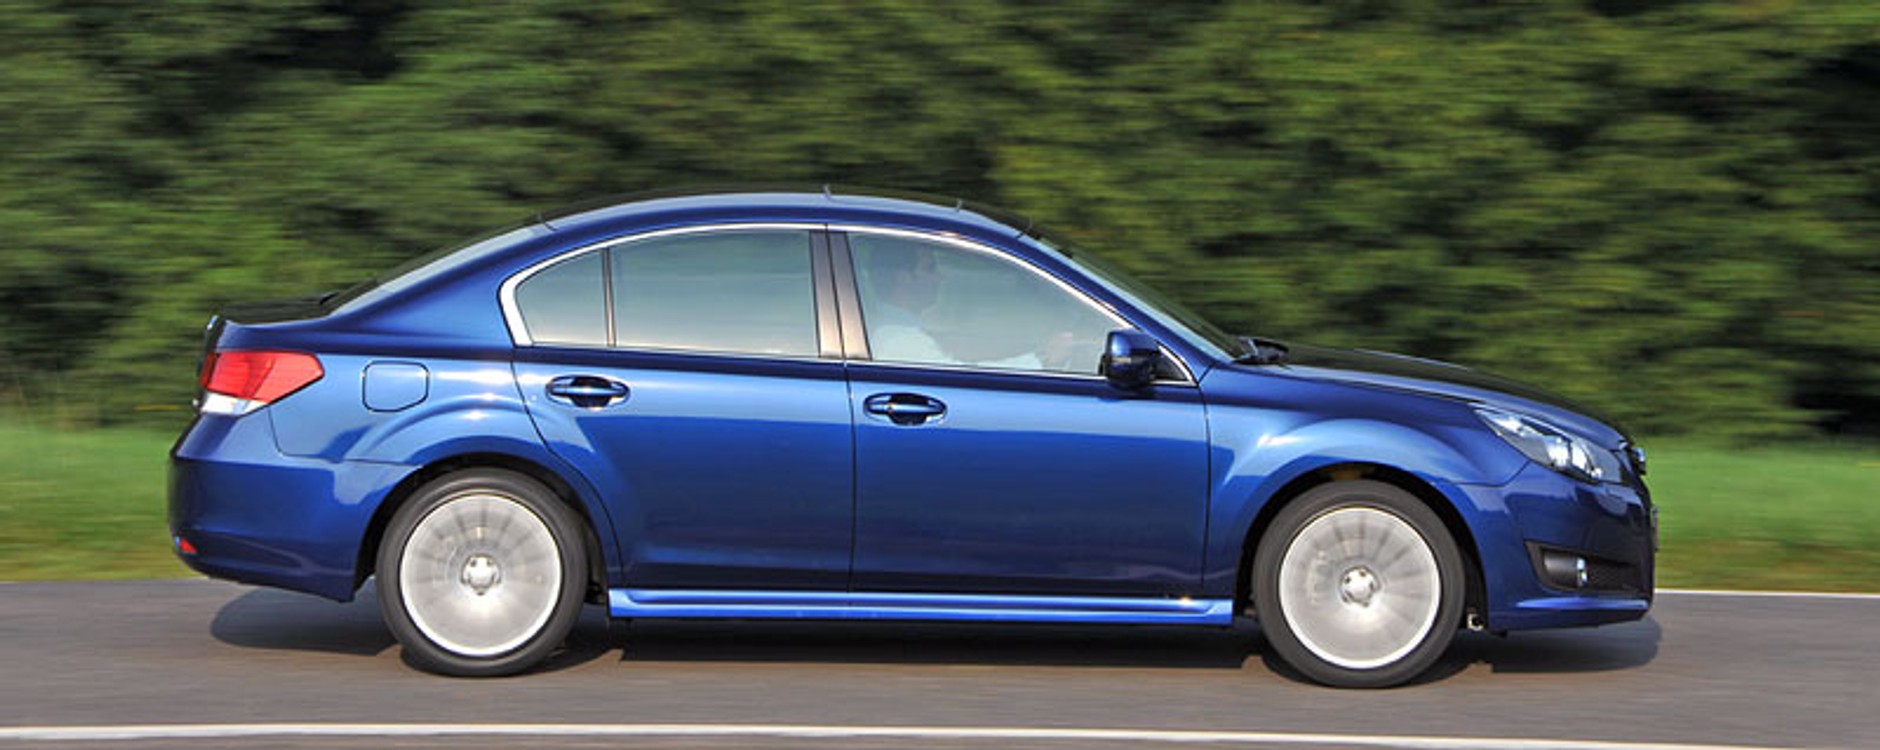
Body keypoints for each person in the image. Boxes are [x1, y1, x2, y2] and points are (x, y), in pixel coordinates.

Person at [860, 241, 1077, 371]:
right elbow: (965, 380)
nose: (939, 278)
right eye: (930, 269)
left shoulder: (892, 328)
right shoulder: (898, 338)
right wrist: (1043, 359)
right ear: (903, 278)